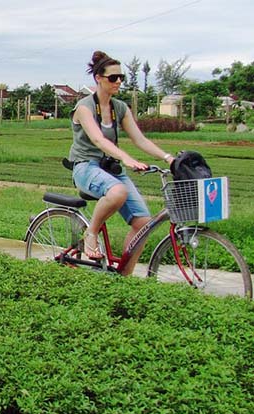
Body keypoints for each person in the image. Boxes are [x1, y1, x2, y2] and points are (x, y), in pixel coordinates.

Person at [68, 50, 175, 272]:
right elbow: (98, 139)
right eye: (113, 78)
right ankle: (92, 233)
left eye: (121, 78)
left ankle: (123, 278)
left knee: (142, 224)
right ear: (98, 78)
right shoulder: (84, 107)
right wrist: (126, 158)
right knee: (118, 192)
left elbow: (139, 139)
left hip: (109, 168)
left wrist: (169, 158)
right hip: (86, 166)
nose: (118, 82)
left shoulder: (120, 107)